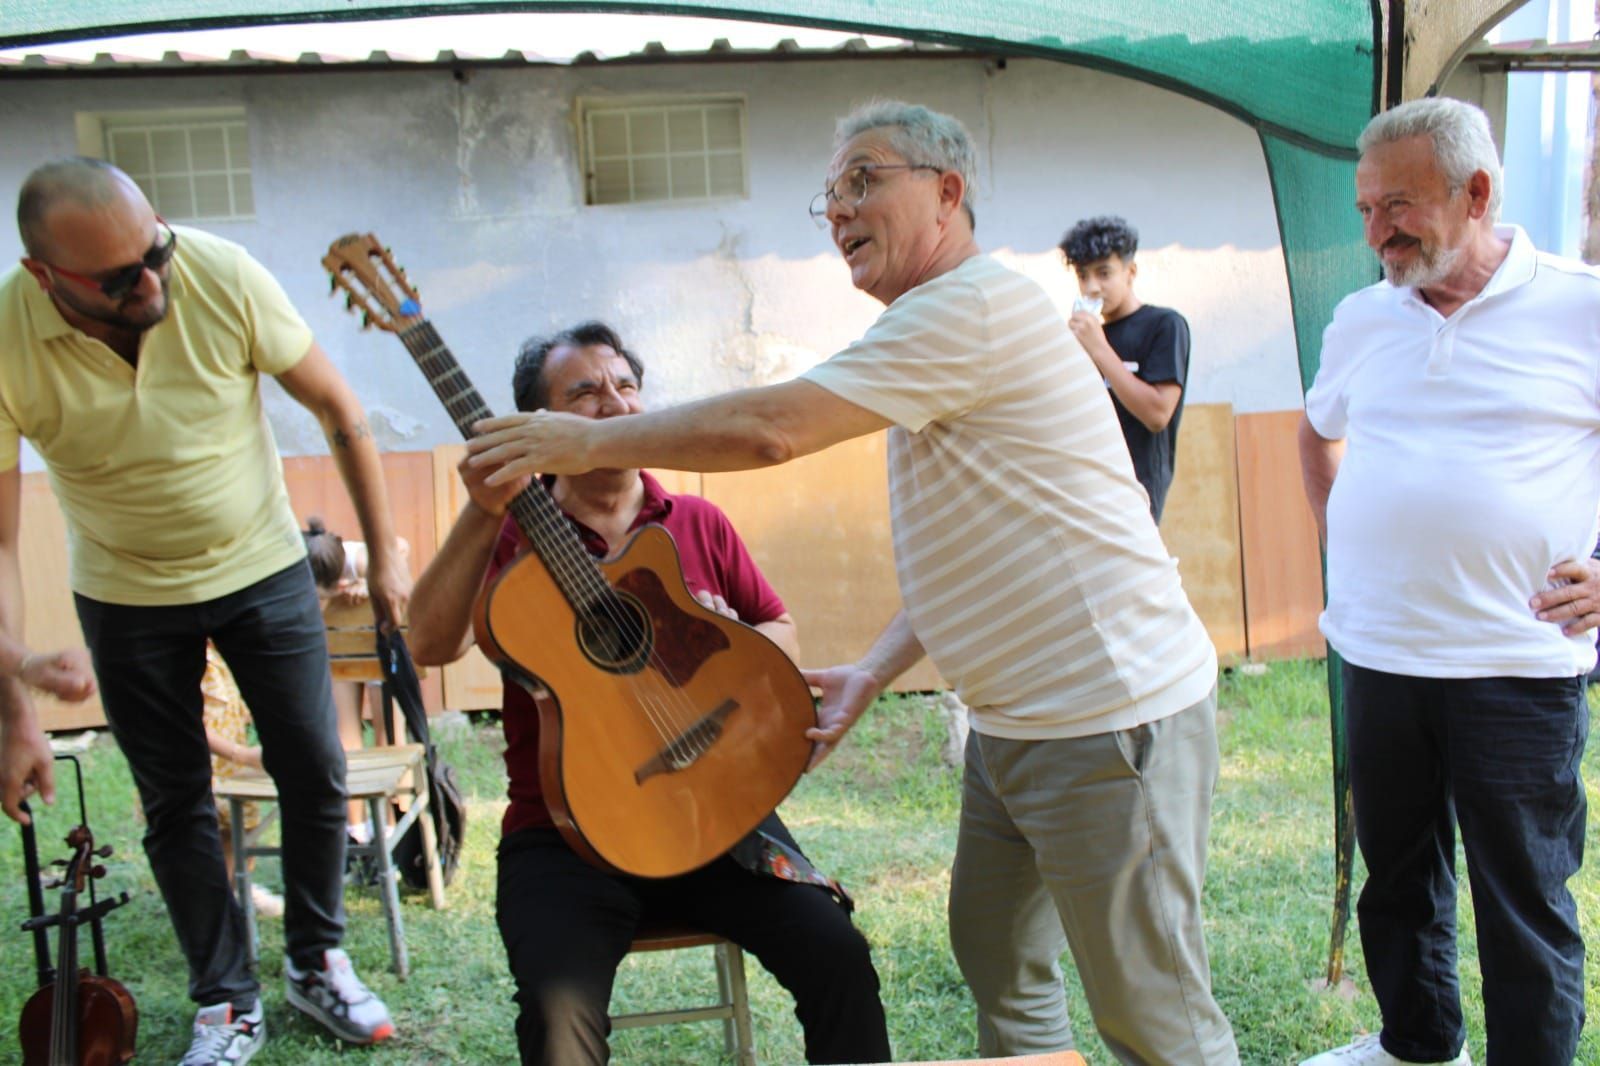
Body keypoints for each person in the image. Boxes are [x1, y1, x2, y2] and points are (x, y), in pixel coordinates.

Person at [463, 103, 1238, 1064]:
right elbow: (981, 555)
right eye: (830, 194)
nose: (839, 211)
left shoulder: (972, 306)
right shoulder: (932, 326)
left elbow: (772, 430)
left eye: (864, 182)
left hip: (1106, 717)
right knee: (1002, 962)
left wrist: (585, 438)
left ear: (947, 193)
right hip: (1013, 724)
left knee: (1152, 1011)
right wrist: (875, 668)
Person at [0, 157, 412, 1064]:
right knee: (174, 799)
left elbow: (341, 407)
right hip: (125, 590)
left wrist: (383, 559)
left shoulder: (217, 273)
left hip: (262, 567)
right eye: (118, 278)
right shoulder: (7, 335)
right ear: (45, 277)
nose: (152, 281)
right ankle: (227, 1000)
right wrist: (14, 695)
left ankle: (316, 961)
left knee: (312, 766)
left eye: (156, 251)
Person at [408, 321, 891, 1066]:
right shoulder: (507, 537)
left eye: (626, 386)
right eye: (584, 394)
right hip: (567, 835)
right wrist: (481, 509)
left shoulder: (694, 522)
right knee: (555, 1016)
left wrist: (748, 656)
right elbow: (429, 646)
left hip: (717, 810)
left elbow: (776, 623)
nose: (616, 405)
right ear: (542, 425)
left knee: (840, 957)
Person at [1297, 98, 1595, 1066]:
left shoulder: (1581, 307)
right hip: (1377, 653)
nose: (1377, 230)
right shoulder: (1359, 316)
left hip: (1515, 660)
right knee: (1397, 881)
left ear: (1477, 193)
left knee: (1520, 901)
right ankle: (1418, 1047)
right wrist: (1344, 538)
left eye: (1400, 206)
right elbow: (1318, 430)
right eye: (1365, 207)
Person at [1059, 215, 1191, 523]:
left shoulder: (1164, 325)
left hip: (1136, 495)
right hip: (1085, 492)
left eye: (1104, 273)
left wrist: (1100, 349)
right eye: (1083, 275)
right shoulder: (1084, 339)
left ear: (1130, 272)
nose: (1092, 287)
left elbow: (1157, 414)